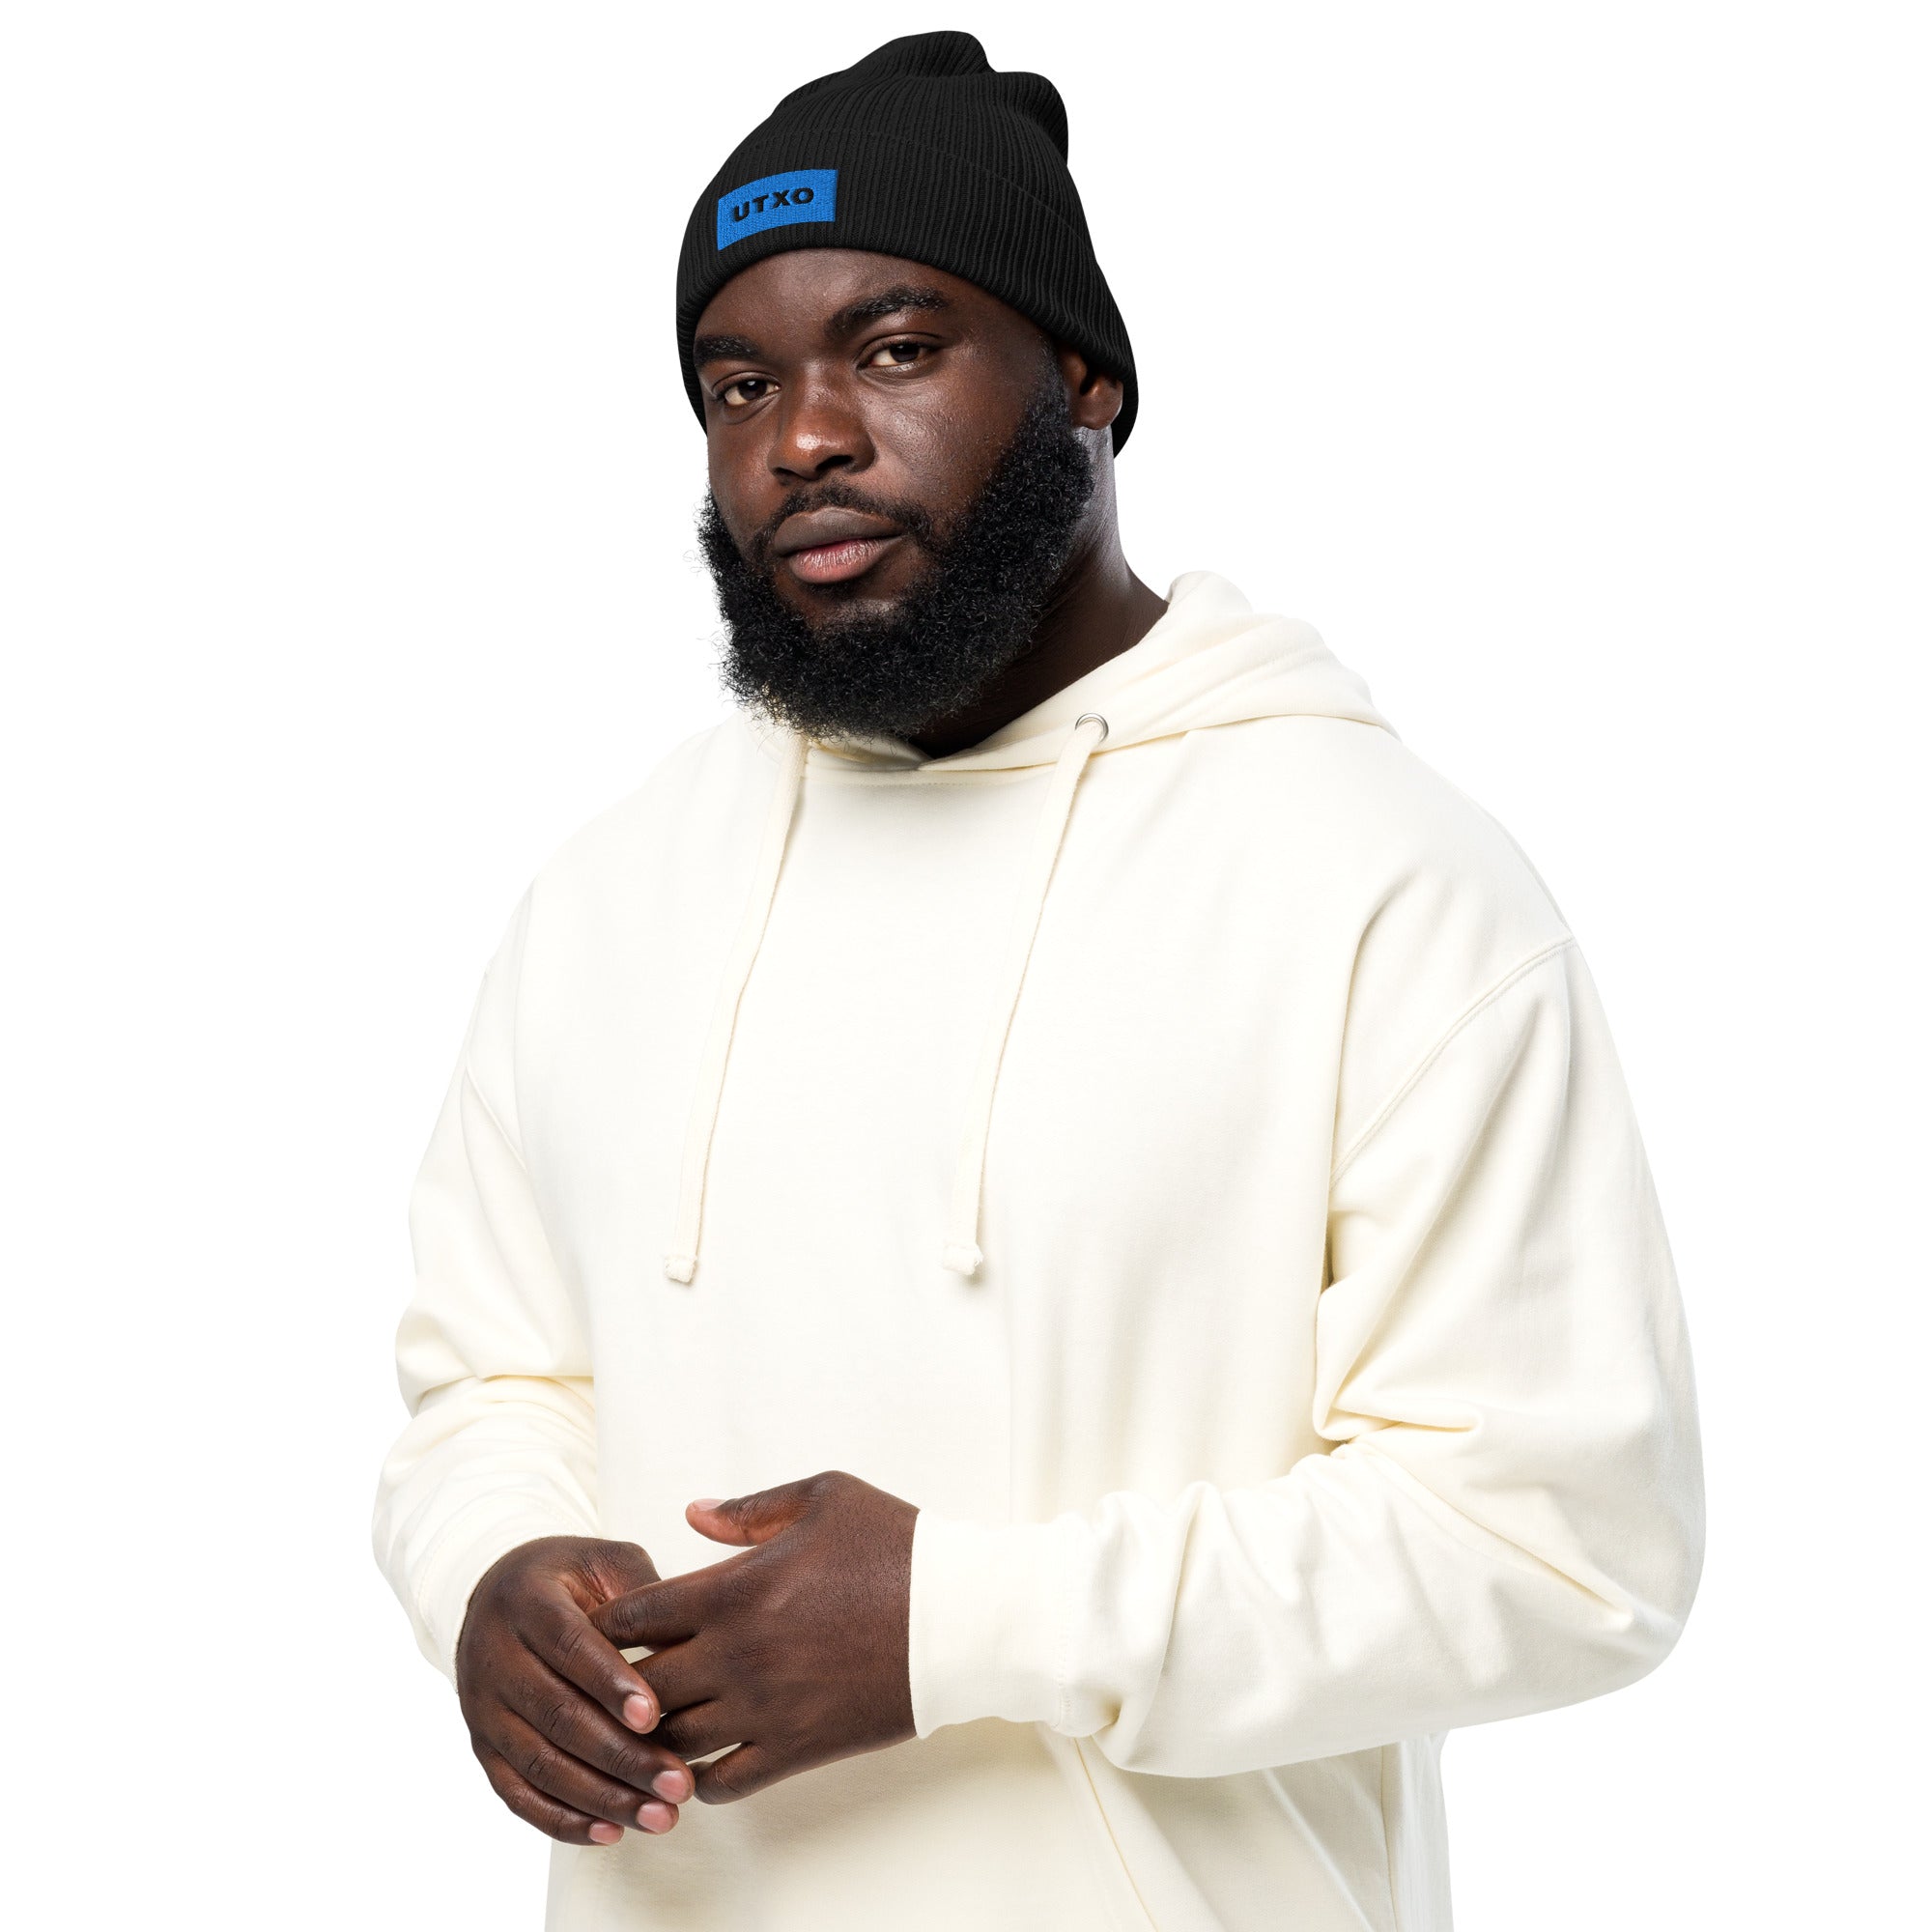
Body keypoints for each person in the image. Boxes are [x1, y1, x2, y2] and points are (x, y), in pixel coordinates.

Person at [374, 29, 1704, 1931]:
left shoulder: (1380, 881)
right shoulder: (611, 893)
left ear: (1088, 377)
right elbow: (490, 1384)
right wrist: (492, 1570)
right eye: (737, 384)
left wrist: (958, 1627)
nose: (803, 439)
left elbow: (1565, 1543)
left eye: (896, 350)